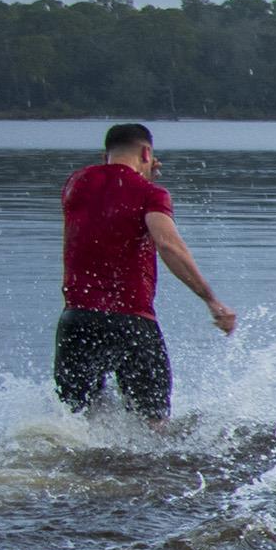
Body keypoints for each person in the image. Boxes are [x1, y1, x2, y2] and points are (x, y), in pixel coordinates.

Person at [54, 123, 237, 420]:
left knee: (78, 419)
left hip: (77, 319)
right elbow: (168, 245)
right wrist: (210, 299)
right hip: (130, 321)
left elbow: (109, 201)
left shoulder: (75, 183)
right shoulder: (150, 193)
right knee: (153, 423)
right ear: (146, 152)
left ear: (105, 155)